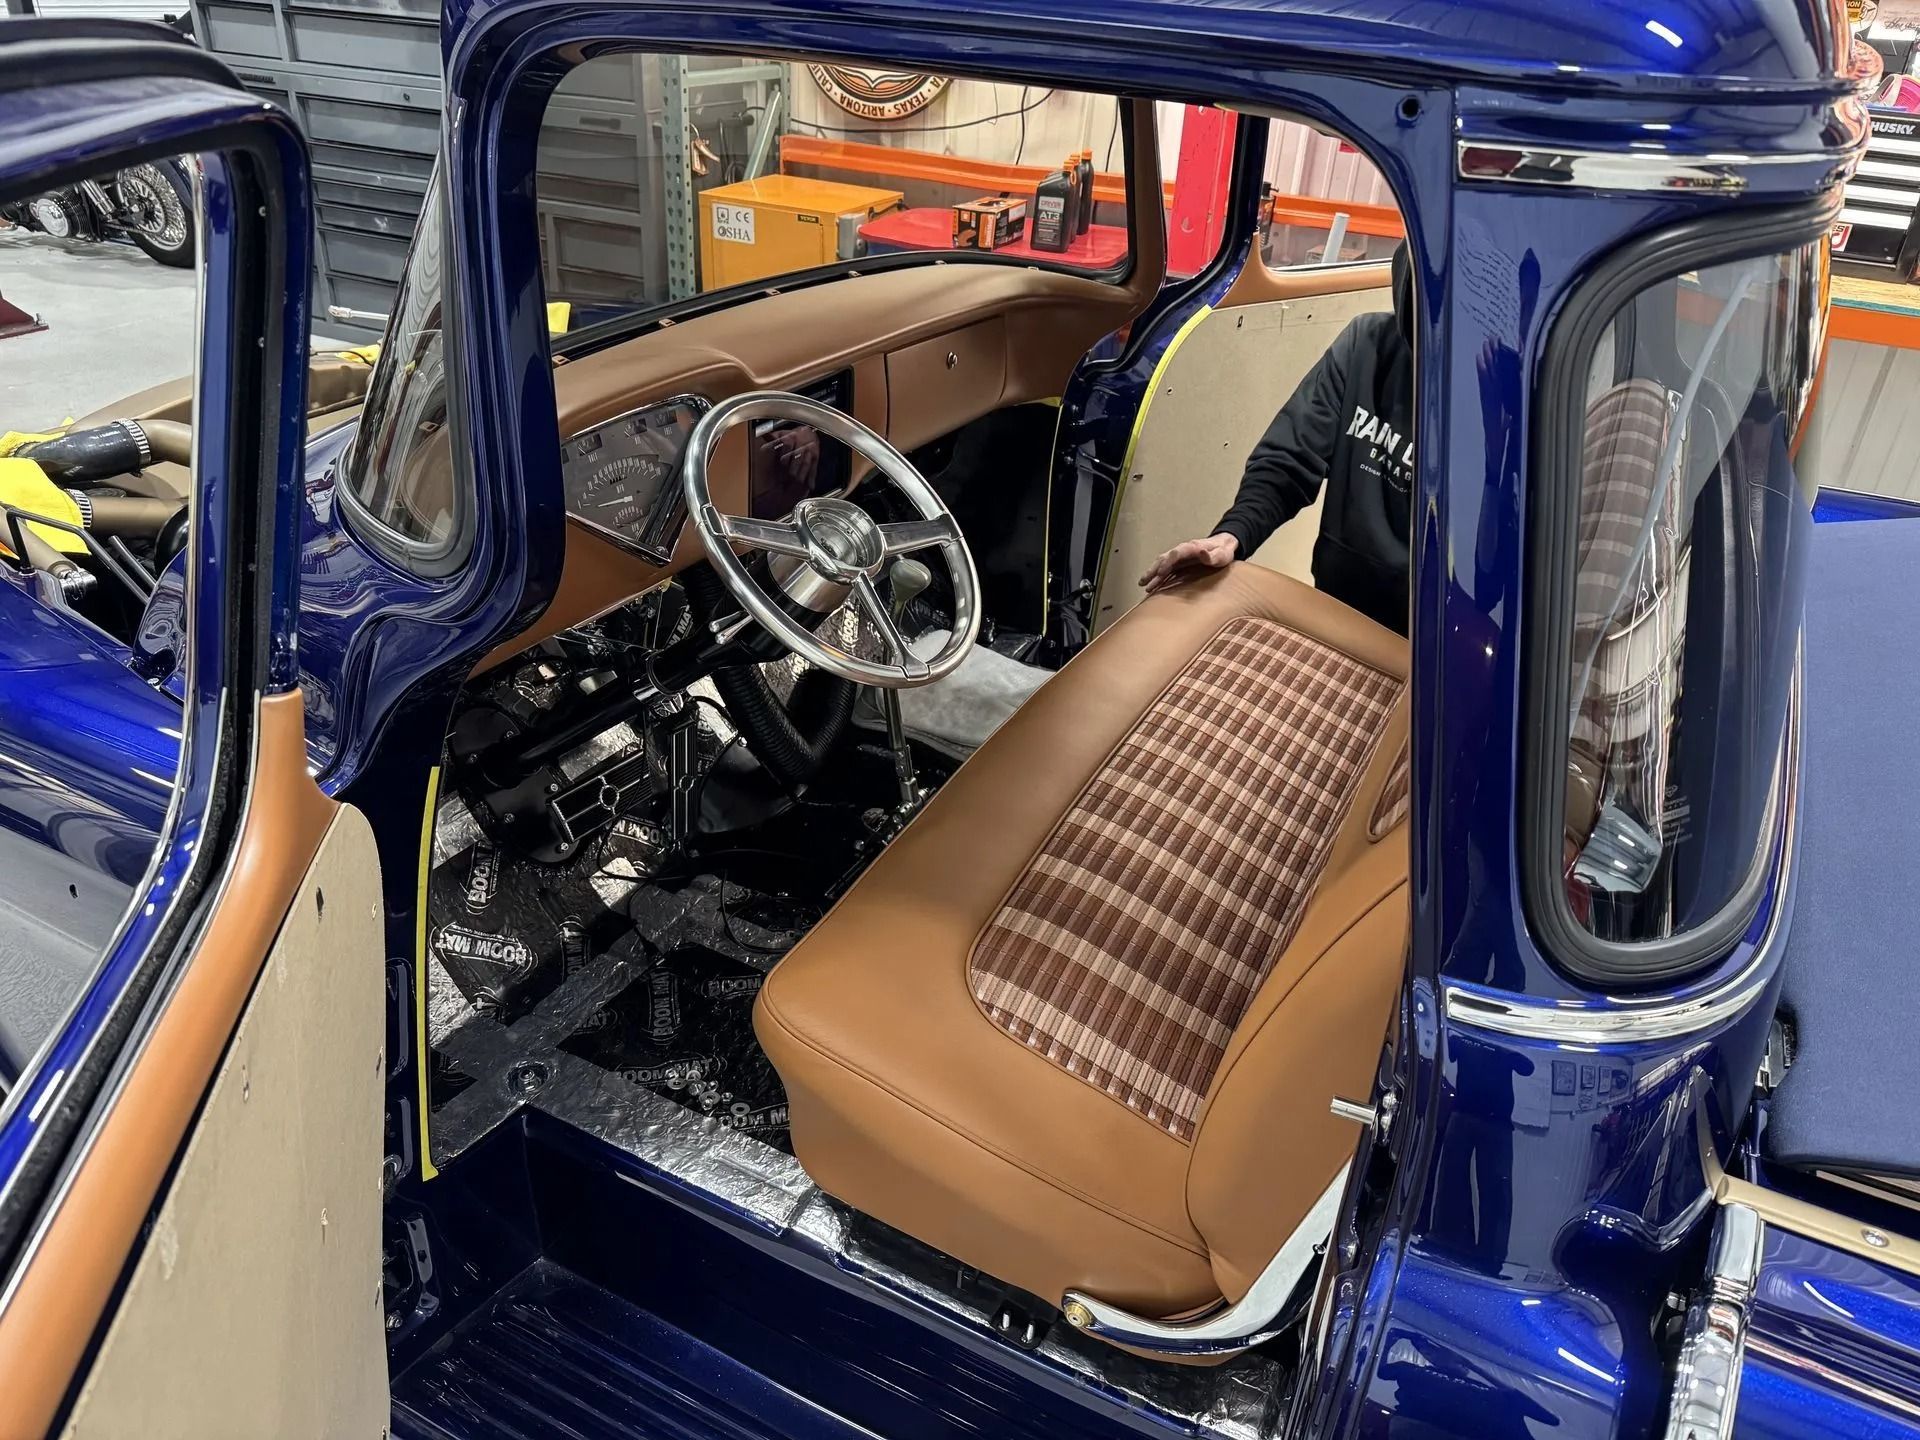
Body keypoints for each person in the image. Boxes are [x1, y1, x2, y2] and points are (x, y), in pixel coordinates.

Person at [1138, 240, 1415, 635]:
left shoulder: (1511, 403)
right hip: (1337, 604)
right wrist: (1233, 535)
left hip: (1435, 637)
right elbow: (1288, 461)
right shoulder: (1365, 343)